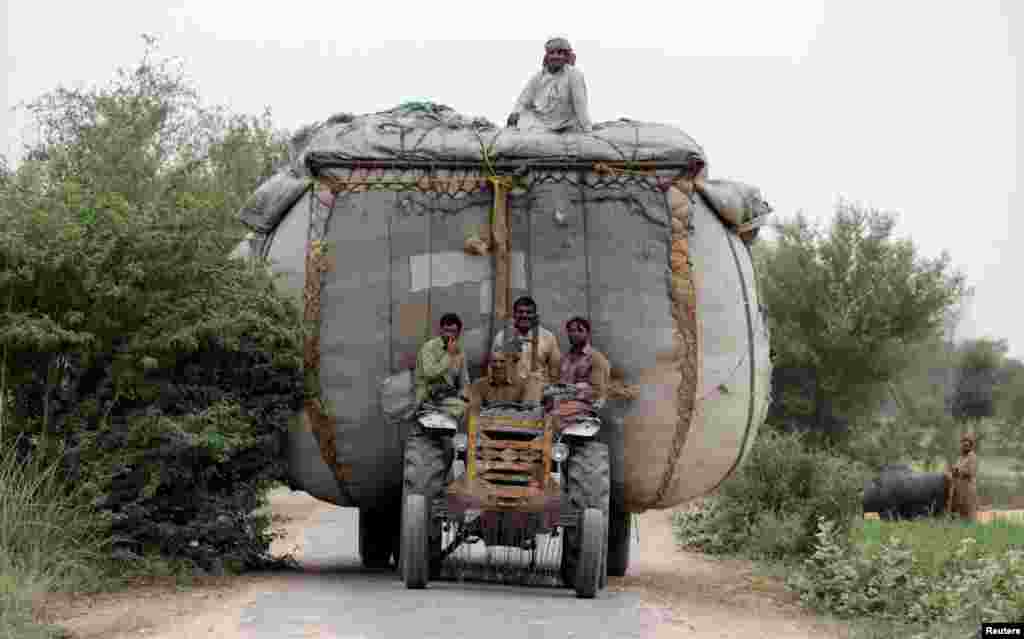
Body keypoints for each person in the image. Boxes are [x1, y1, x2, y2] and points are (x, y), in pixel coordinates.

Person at [506, 37, 593, 134]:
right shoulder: (539, 77)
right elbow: (524, 99)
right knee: (519, 124)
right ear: (547, 56)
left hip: (565, 123)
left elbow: (580, 104)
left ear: (566, 56)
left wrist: (587, 129)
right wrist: (515, 113)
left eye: (560, 53)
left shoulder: (574, 74)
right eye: (552, 53)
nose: (555, 56)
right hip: (540, 121)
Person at [491, 296, 562, 385]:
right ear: (514, 314)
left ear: (535, 315)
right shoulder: (501, 337)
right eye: (520, 312)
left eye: (529, 312)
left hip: (538, 391)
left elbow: (555, 369)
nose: (524, 315)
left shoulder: (548, 337)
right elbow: (492, 368)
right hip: (510, 391)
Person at [414, 313, 470, 420]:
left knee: (463, 410)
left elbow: (464, 381)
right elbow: (430, 373)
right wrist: (449, 355)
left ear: (458, 333)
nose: (448, 335)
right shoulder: (429, 347)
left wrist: (464, 395)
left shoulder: (460, 352)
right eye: (446, 331)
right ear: (440, 330)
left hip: (448, 400)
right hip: (426, 399)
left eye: (452, 331)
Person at [554, 316, 610, 420]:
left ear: (588, 333)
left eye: (580, 330)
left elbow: (597, 391)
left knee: (554, 415)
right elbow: (559, 383)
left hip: (585, 407)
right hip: (562, 403)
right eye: (571, 330)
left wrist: (572, 391)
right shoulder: (565, 358)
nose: (574, 334)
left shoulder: (596, 358)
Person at [945, 432, 979, 522]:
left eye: (968, 443)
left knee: (967, 515)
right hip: (957, 490)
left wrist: (958, 471)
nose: (965, 445)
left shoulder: (972, 457)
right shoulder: (960, 458)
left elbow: (971, 472)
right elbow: (955, 471)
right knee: (956, 514)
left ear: (971, 445)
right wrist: (951, 472)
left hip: (967, 490)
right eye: (964, 443)